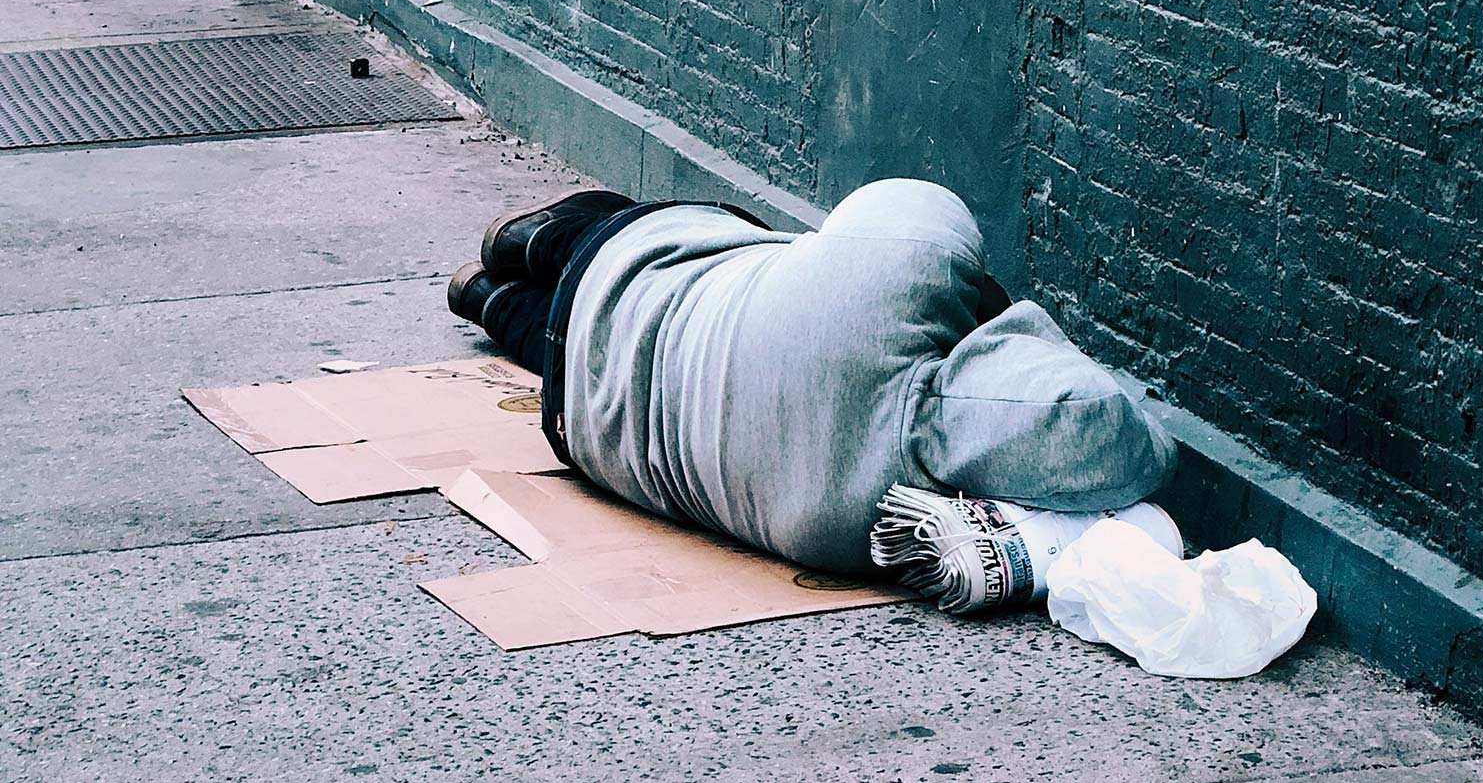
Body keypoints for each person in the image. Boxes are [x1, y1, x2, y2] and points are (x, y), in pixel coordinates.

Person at [446, 178, 1176, 575]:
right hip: (585, 422)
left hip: (641, 262)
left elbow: (910, 201)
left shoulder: (899, 269)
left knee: (616, 242)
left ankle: (523, 242)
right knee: (573, 348)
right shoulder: (861, 530)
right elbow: (1120, 441)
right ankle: (489, 301)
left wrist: (989, 309)